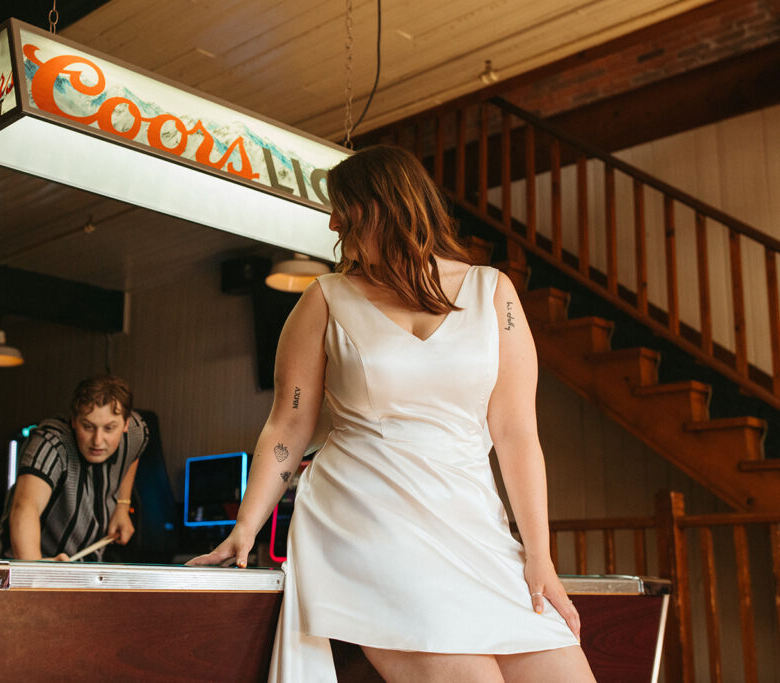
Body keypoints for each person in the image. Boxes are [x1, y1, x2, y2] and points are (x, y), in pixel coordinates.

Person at [189, 145, 596, 681]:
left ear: (386, 205)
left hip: (473, 525)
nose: (333, 221)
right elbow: (288, 425)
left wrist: (538, 557)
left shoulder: (494, 292)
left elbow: (518, 433)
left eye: (345, 207)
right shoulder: (324, 300)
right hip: (366, 519)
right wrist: (246, 526)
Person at [0, 375, 148, 562]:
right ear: (74, 420)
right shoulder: (50, 443)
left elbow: (133, 454)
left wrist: (122, 506)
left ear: (126, 423)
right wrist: (35, 572)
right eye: (88, 426)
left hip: (89, 560)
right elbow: (25, 507)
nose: (98, 440)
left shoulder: (136, 432)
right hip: (37, 558)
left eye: (109, 428)